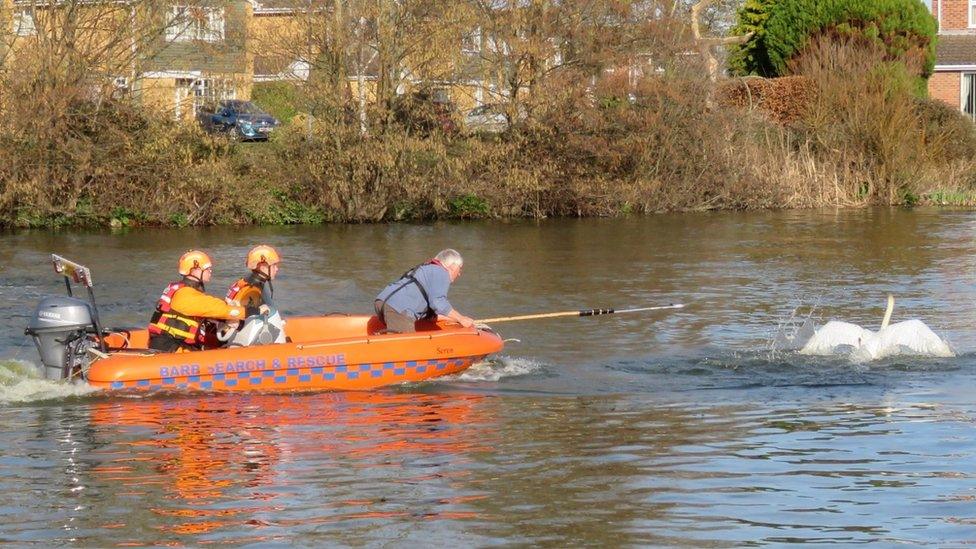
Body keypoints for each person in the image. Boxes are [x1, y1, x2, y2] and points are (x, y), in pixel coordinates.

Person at [148, 250, 245, 352]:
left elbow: (206, 309)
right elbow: (217, 308)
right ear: (195, 270)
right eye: (207, 269)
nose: (210, 271)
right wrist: (248, 312)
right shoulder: (185, 294)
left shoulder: (182, 289)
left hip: (168, 343)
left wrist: (225, 320)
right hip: (171, 347)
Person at [374, 248, 475, 333]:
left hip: (382, 301)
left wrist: (453, 318)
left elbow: (432, 309)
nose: (459, 273)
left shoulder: (426, 268)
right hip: (399, 309)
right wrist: (461, 318)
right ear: (453, 266)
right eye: (460, 268)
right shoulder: (442, 272)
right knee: (406, 350)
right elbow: (439, 303)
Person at [227, 245, 281, 317]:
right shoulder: (253, 290)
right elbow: (240, 319)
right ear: (262, 268)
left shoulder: (248, 281)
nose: (277, 269)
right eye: (274, 265)